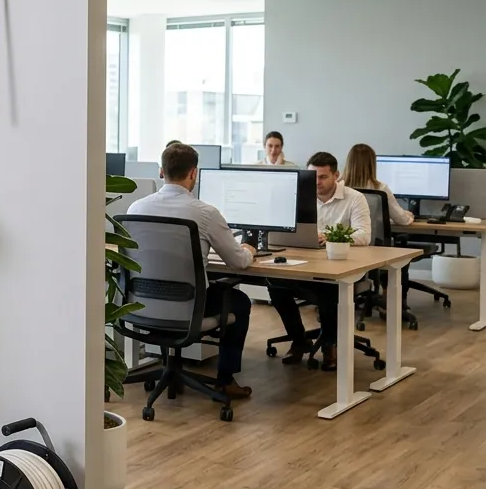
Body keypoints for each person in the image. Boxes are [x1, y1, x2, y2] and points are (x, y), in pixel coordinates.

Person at [128, 142, 256, 399]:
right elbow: (239, 262)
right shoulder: (206, 213)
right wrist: (250, 249)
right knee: (239, 301)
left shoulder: (135, 209)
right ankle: (225, 380)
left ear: (162, 172)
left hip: (143, 305)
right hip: (189, 307)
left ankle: (168, 366)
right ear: (194, 173)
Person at [268, 151, 371, 371]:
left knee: (328, 289)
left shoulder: (354, 198)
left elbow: (364, 235)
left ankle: (329, 345)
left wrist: (331, 237)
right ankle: (299, 339)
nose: (317, 182)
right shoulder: (299, 196)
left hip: (342, 265)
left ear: (336, 175)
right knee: (275, 284)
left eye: (323, 177)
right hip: (305, 262)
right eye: (312, 176)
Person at [342, 143, 414, 227]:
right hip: (370, 239)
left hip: (340, 239)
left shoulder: (336, 187)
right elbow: (402, 220)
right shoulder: (380, 188)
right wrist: (409, 215)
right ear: (372, 164)